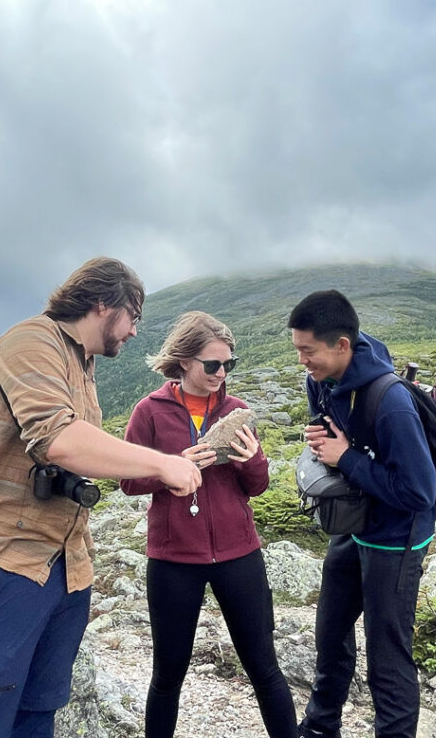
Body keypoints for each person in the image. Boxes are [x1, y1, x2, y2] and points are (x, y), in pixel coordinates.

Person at [0, 257, 202, 738]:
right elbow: (58, 439)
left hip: (66, 565)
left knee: (39, 711)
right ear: (104, 304)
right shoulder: (32, 340)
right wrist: (163, 463)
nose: (135, 332)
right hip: (4, 562)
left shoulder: (84, 362)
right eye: (133, 316)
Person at [120, 311, 298, 738]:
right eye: (212, 364)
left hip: (240, 555)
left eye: (228, 364)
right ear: (184, 361)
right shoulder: (150, 411)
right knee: (168, 675)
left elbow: (257, 486)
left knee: (264, 668)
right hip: (173, 558)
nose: (222, 373)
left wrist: (251, 458)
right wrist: (170, 468)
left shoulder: (238, 411)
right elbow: (127, 481)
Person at [290, 290, 436, 738]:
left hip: (396, 538)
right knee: (330, 633)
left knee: (387, 657)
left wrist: (346, 458)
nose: (302, 362)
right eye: (297, 350)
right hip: (354, 529)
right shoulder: (322, 380)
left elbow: (418, 491)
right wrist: (324, 443)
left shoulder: (390, 402)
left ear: (342, 346)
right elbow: (332, 439)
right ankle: (319, 728)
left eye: (308, 351)